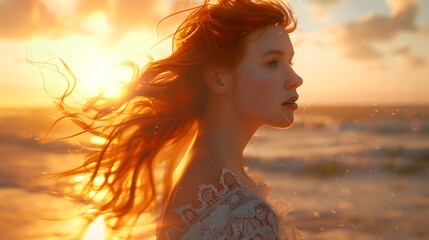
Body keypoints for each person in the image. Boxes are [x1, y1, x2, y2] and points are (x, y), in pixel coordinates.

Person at [42, 0, 303, 239]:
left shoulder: (192, 170)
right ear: (218, 78)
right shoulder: (245, 213)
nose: (295, 79)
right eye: (272, 63)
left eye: (289, 62)